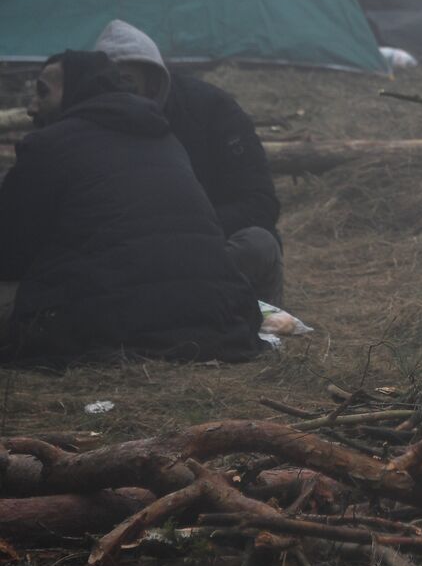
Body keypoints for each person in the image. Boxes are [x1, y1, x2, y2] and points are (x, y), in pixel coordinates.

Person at [0, 51, 264, 364]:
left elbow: (9, 256)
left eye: (42, 91)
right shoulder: (167, 140)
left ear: (75, 90)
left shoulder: (48, 146)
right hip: (212, 325)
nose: (31, 107)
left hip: (103, 326)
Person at [94, 21, 285, 306]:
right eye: (108, 83)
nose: (119, 92)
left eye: (127, 81)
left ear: (152, 78)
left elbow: (260, 203)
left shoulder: (211, 111)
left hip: (209, 248)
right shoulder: (90, 124)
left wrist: (183, 232)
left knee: (258, 243)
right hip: (129, 260)